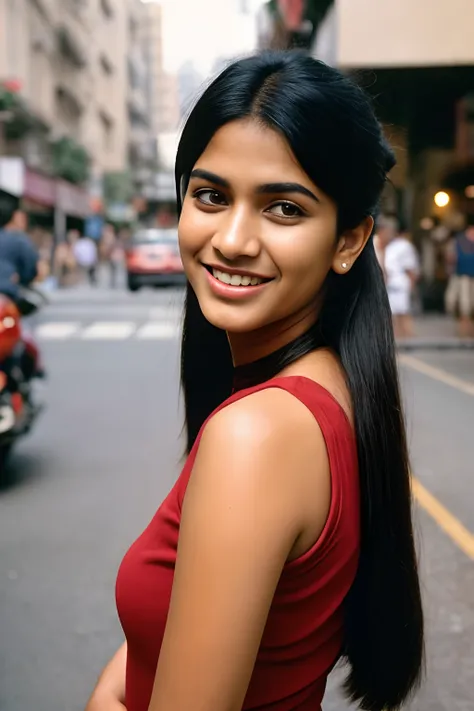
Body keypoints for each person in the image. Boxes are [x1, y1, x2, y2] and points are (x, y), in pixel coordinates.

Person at [86, 52, 424, 711]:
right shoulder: (332, 387)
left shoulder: (257, 434)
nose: (233, 239)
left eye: (284, 208)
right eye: (210, 195)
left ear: (349, 240)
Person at [378, 215, 420, 338]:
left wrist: (412, 288)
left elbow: (410, 269)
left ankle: (407, 338)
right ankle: (393, 340)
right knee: (388, 315)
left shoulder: (403, 246)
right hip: (383, 286)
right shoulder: (375, 243)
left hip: (399, 285)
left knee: (403, 313)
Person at [0, 202, 39, 302]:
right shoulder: (19, 240)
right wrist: (22, 279)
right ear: (13, 218)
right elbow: (30, 267)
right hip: (8, 292)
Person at [445, 216, 474, 337]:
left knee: (471, 305)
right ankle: (463, 332)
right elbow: (450, 256)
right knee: (463, 305)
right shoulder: (459, 240)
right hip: (462, 276)